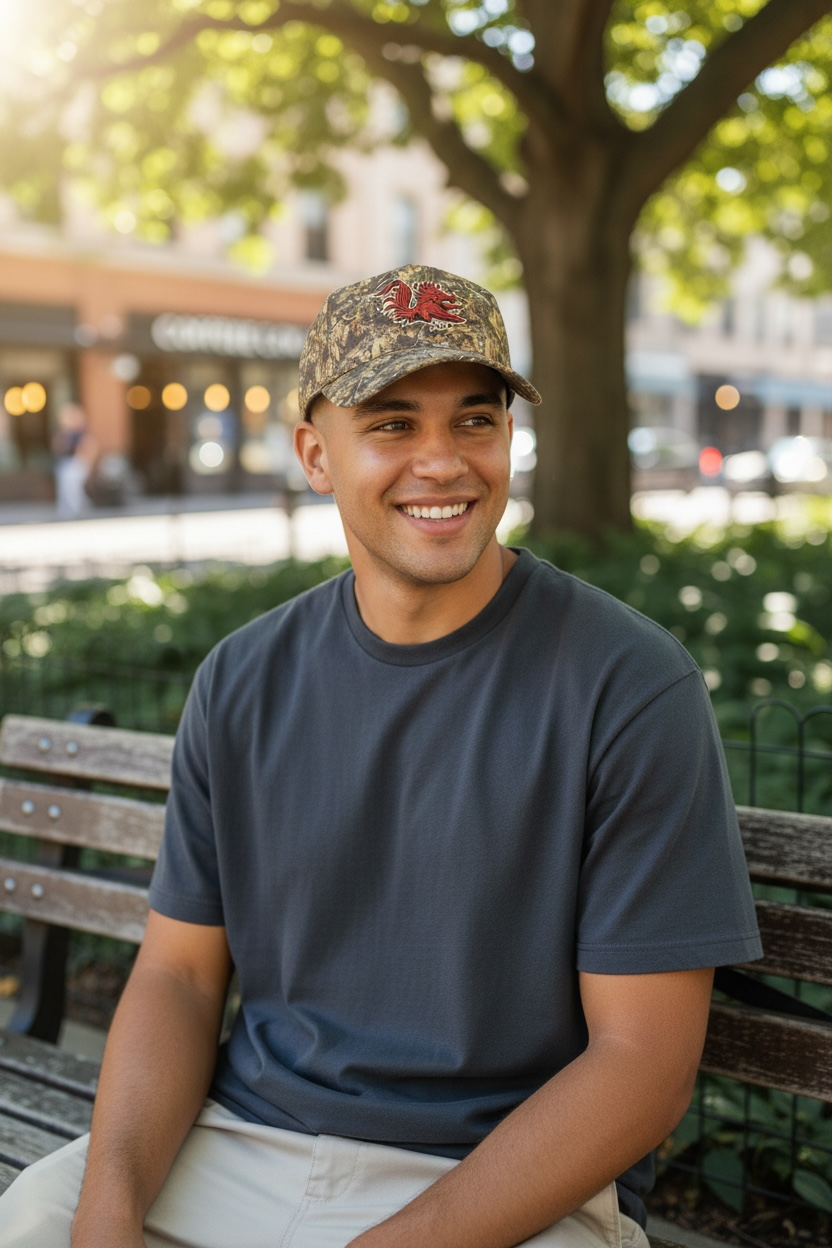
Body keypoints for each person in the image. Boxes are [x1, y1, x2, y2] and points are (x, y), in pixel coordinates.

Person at [1, 265, 762, 1248]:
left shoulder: (629, 687)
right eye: (393, 423)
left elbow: (640, 1065)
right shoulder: (242, 680)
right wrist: (107, 1212)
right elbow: (179, 977)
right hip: (238, 1141)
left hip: (500, 1182)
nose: (441, 461)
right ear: (317, 454)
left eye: (474, 421)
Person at [52, 402, 97, 517]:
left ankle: (77, 508)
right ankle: (69, 508)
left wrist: (86, 463)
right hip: (64, 463)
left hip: (76, 463)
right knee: (66, 488)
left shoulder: (81, 433)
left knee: (73, 488)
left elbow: (89, 448)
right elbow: (58, 447)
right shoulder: (64, 433)